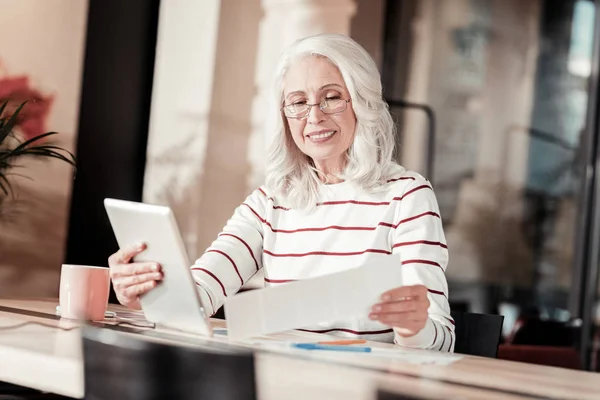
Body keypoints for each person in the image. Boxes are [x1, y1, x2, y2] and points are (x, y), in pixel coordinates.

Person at [108, 33, 454, 352]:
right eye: (298, 102)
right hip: (278, 377)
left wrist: (413, 328)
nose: (313, 116)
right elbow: (200, 296)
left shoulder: (407, 196)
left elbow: (441, 339)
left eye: (331, 98)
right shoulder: (270, 200)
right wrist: (145, 293)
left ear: (362, 103)